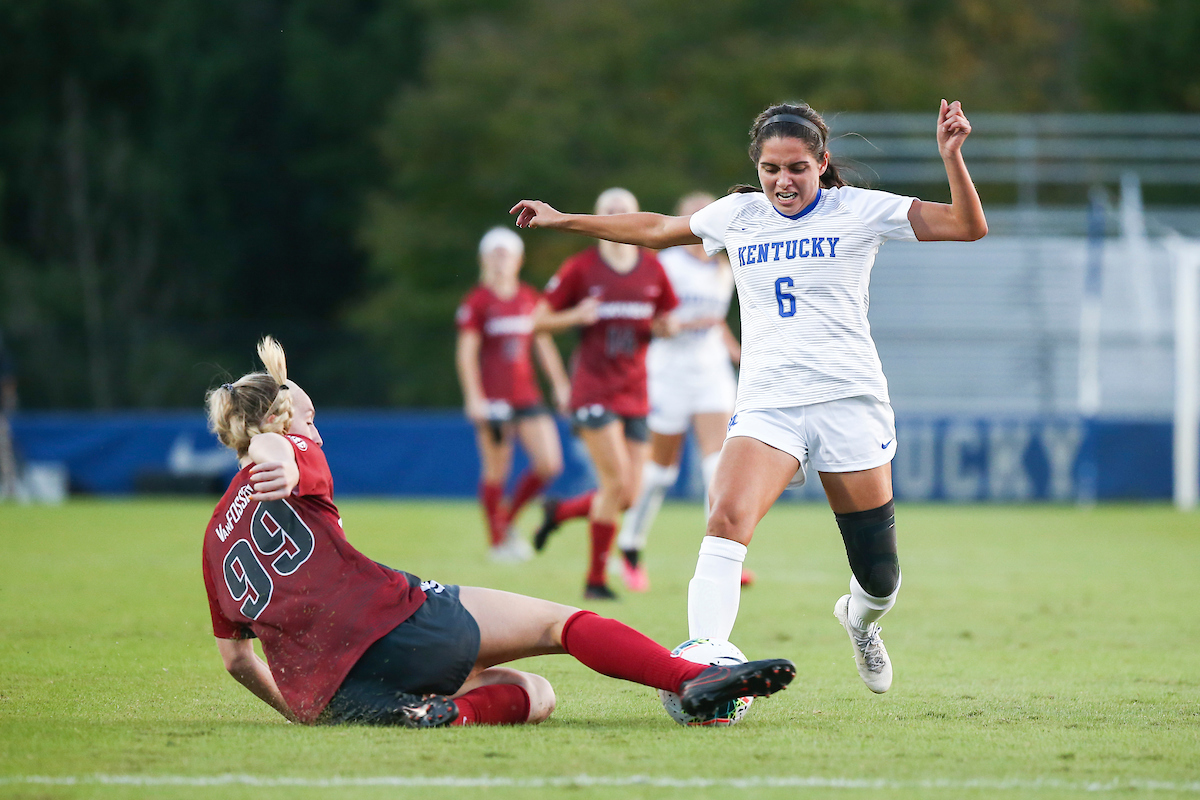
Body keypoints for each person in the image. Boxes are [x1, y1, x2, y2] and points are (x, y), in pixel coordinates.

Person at [512, 99, 987, 694]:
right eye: (770, 169)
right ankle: (704, 666)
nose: (783, 182)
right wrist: (563, 220)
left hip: (849, 402)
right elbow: (657, 230)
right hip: (769, 404)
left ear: (822, 163)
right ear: (757, 168)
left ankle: (861, 621)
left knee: (879, 575)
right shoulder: (739, 215)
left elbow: (968, 225)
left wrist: (951, 158)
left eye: (796, 168)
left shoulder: (860, 210)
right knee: (726, 518)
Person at [201, 336, 794, 727]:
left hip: (342, 693)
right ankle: (693, 677)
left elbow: (236, 660)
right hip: (396, 626)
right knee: (560, 623)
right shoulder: (287, 449)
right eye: (309, 417)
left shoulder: (212, 541)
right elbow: (282, 441)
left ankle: (445, 714)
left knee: (536, 694)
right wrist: (275, 444)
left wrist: (302, 712)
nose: (316, 432)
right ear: (282, 422)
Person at [527, 188, 679, 600]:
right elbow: (537, 322)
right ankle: (595, 580)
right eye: (608, 211)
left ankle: (559, 511)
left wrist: (667, 327)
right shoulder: (580, 268)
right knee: (615, 483)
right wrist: (576, 315)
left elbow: (666, 318)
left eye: (623, 211)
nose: (616, 217)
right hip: (593, 390)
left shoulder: (653, 269)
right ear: (596, 220)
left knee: (629, 494)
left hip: (636, 392)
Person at [614, 191, 746, 593]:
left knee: (717, 465)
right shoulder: (664, 264)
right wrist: (666, 327)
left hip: (709, 372)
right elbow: (644, 317)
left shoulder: (724, 269)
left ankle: (723, 556)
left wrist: (738, 351)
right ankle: (630, 545)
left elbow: (714, 319)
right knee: (658, 474)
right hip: (667, 372)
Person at [455, 227, 571, 562]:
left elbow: (543, 344)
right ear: (484, 259)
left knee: (549, 464)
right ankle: (497, 542)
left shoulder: (528, 299)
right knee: (496, 471)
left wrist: (561, 385)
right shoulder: (478, 301)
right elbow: (466, 353)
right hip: (494, 399)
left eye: (506, 254)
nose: (501, 260)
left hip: (527, 396)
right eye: (495, 254)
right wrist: (473, 397)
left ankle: (506, 521)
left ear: (519, 259)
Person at [0, 329, 18, 501]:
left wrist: (10, 405)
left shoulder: (3, 356)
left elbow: (8, 384)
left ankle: (10, 490)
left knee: (4, 452)